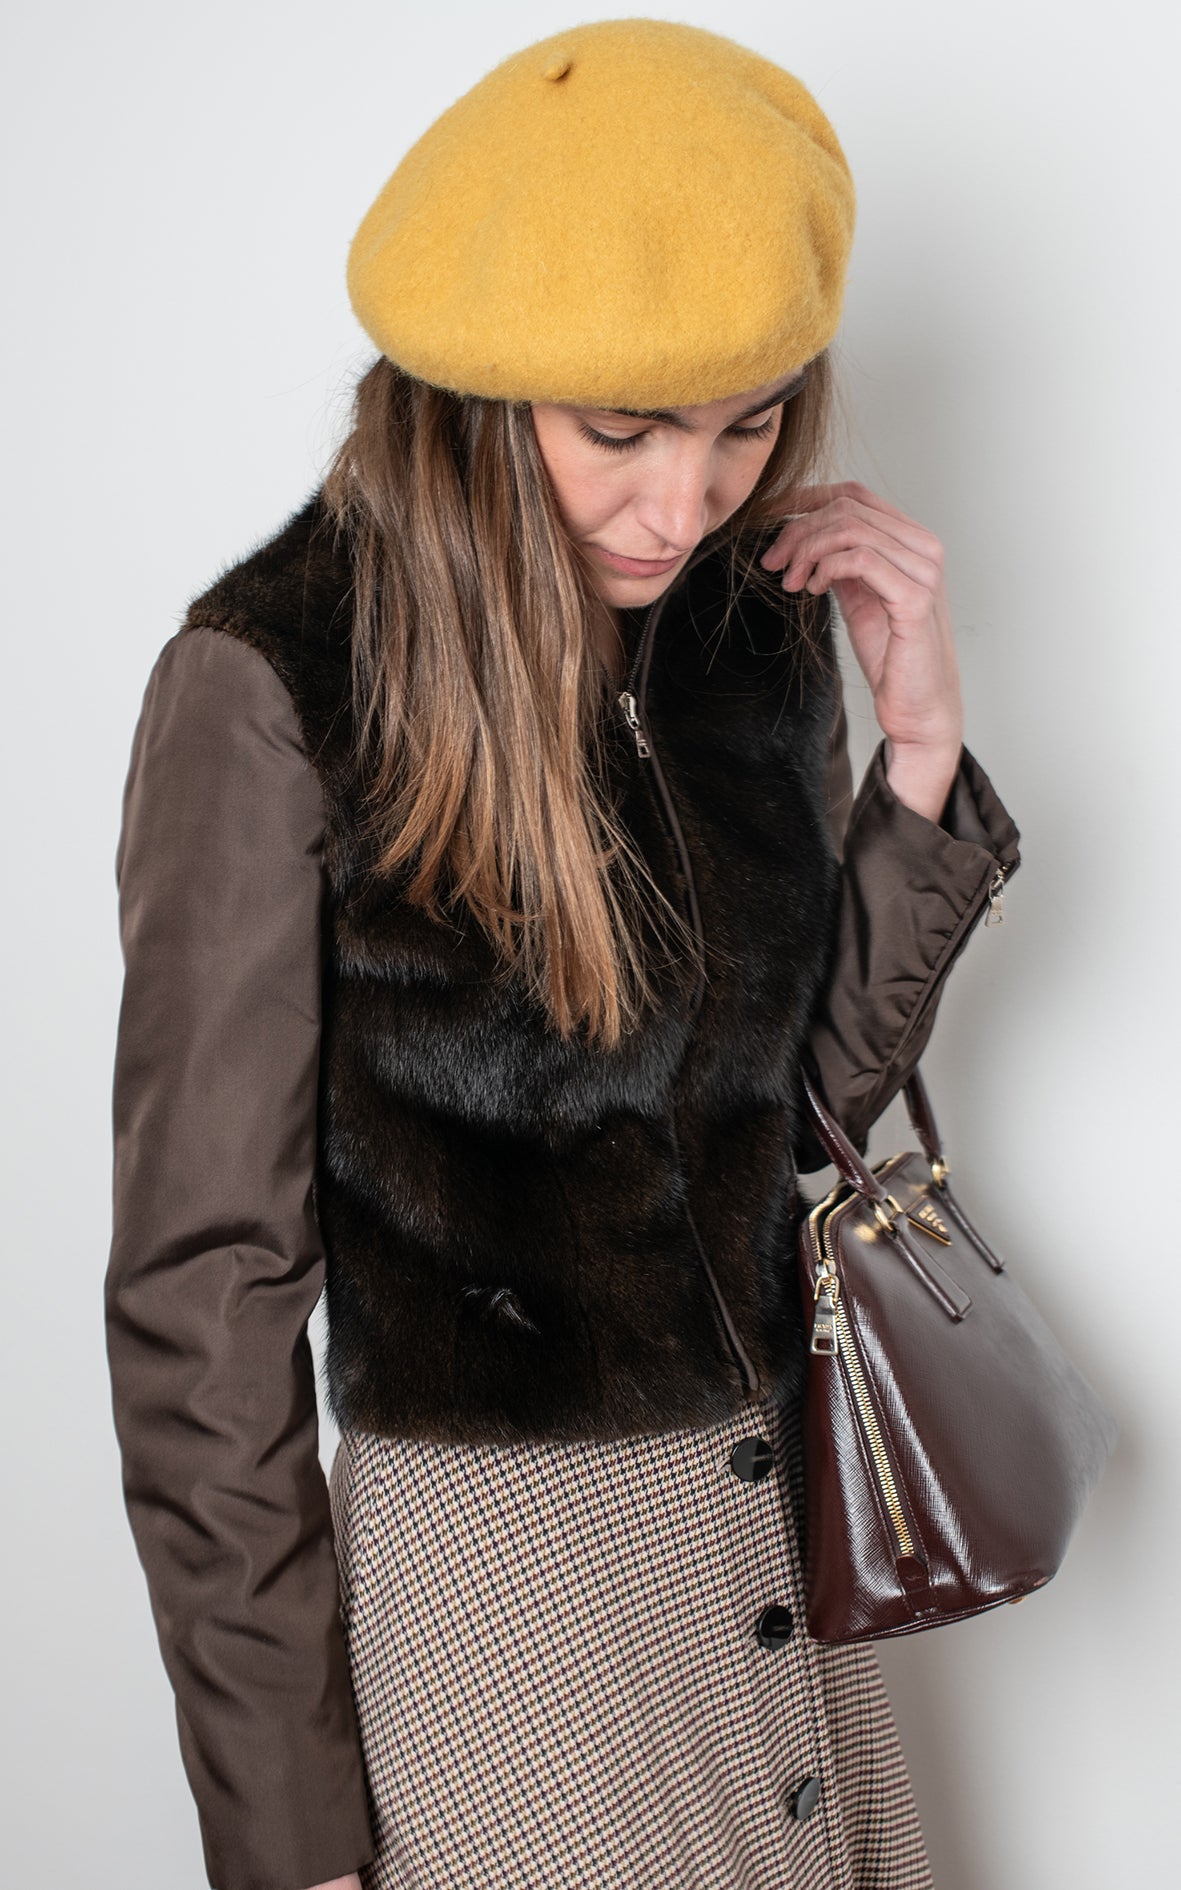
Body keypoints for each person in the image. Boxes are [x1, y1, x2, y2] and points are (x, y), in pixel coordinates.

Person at [104, 19, 1020, 1890]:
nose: (682, 506)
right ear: (470, 389)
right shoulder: (272, 683)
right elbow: (202, 1301)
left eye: (746, 423)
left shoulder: (745, 633)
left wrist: (918, 753)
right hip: (502, 1604)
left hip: (770, 1540)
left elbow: (787, 1122)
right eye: (621, 432)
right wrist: (286, 1831)